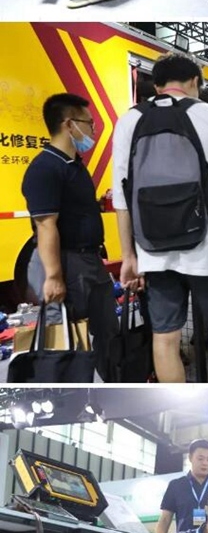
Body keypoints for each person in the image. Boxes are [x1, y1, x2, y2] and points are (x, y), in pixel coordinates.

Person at [112, 54, 208, 384]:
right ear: (194, 82)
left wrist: (128, 256)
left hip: (153, 251)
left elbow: (122, 197)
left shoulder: (129, 121)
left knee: (165, 336)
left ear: (157, 85)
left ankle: (179, 403)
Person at [21, 91, 118, 380]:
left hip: (90, 261)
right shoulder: (45, 168)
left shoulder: (74, 165)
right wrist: (53, 276)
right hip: (67, 263)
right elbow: (45, 226)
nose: (93, 131)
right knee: (67, 339)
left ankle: (112, 386)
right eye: (89, 123)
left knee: (107, 333)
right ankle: (70, 392)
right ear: (69, 124)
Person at [156, 439, 208, 533]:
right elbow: (165, 520)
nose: (205, 463)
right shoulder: (176, 485)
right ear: (190, 458)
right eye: (200, 459)